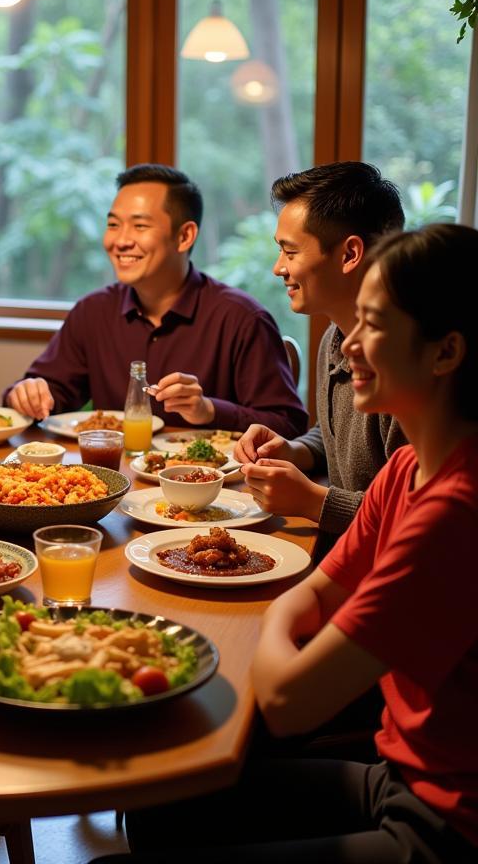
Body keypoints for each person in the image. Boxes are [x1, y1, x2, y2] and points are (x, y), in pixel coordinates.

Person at [100, 224, 478, 864]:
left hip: (445, 828)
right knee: (153, 805)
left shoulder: (454, 511)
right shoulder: (405, 468)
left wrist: (280, 626)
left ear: (445, 353)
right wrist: (288, 618)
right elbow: (313, 591)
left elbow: (285, 702)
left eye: (374, 326)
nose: (347, 346)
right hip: (396, 779)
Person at [4, 164, 306, 436]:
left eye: (139, 226)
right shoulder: (93, 312)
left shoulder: (241, 318)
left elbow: (289, 425)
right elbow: (49, 393)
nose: (120, 241)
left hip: (210, 491)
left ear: (185, 236)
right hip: (112, 485)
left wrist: (209, 410)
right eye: (113, 225)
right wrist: (28, 394)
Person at [234, 162, 407, 543]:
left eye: (290, 252)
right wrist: (297, 450)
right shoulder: (334, 337)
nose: (279, 268)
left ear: (349, 254)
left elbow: (419, 518)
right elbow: (336, 437)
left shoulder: (409, 362)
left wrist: (314, 501)